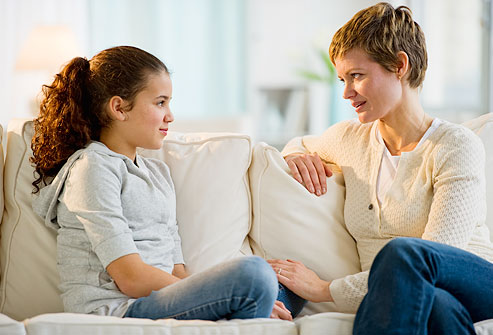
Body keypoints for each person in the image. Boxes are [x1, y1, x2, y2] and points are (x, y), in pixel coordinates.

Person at [269, 2, 493, 333]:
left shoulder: (455, 145)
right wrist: (295, 157)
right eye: (342, 79)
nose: (346, 92)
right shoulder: (349, 139)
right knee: (436, 307)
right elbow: (297, 145)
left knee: (405, 255)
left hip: (473, 282)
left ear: (399, 65)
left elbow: (438, 254)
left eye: (356, 76)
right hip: (415, 298)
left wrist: (323, 290)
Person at [31, 45, 299, 321]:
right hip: (120, 309)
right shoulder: (92, 168)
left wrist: (214, 294)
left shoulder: (158, 173)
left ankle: (249, 309)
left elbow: (178, 271)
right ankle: (250, 309)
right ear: (119, 108)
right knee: (253, 275)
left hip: (163, 301)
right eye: (160, 103)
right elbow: (130, 277)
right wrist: (229, 291)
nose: (170, 116)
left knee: (287, 285)